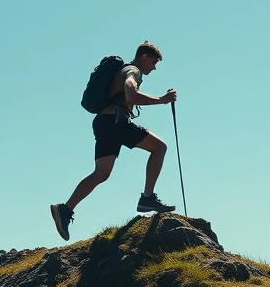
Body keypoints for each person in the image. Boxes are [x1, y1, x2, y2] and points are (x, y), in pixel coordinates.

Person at [50, 41, 178, 240]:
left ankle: (65, 209)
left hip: (102, 122)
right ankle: (147, 198)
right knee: (160, 148)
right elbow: (131, 94)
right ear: (143, 57)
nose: (154, 67)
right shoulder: (132, 71)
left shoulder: (123, 70)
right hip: (115, 121)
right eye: (153, 62)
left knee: (101, 173)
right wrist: (162, 100)